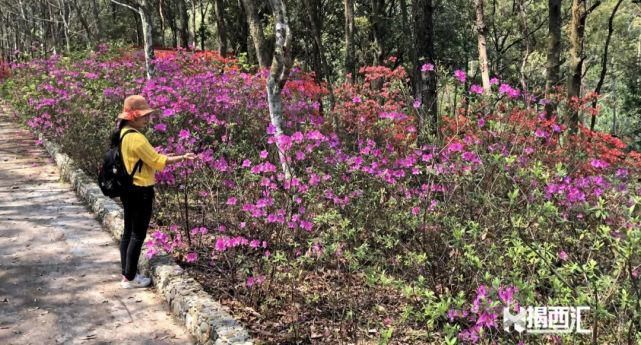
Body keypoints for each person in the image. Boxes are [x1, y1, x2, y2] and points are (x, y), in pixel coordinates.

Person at [112, 95, 196, 288]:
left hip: (127, 189)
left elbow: (151, 158)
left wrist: (172, 156)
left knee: (128, 233)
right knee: (137, 235)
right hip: (140, 190)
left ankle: (127, 273)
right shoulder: (136, 138)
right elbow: (158, 162)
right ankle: (130, 278)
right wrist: (183, 157)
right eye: (144, 116)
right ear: (132, 117)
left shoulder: (123, 133)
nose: (147, 119)